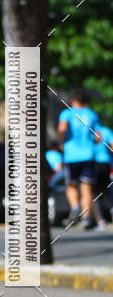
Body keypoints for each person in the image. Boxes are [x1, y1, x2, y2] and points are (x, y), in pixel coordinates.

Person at [58, 90, 101, 230]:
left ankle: (75, 208)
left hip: (72, 155)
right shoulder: (92, 114)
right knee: (86, 186)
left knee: (71, 184)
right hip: (89, 155)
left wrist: (62, 142)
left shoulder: (67, 113)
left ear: (73, 101)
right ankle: (85, 218)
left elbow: (62, 128)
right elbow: (98, 137)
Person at [92, 124, 113, 230]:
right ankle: (110, 211)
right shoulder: (106, 130)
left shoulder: (87, 130)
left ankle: (100, 221)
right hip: (106, 164)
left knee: (94, 193)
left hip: (92, 164)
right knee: (106, 191)